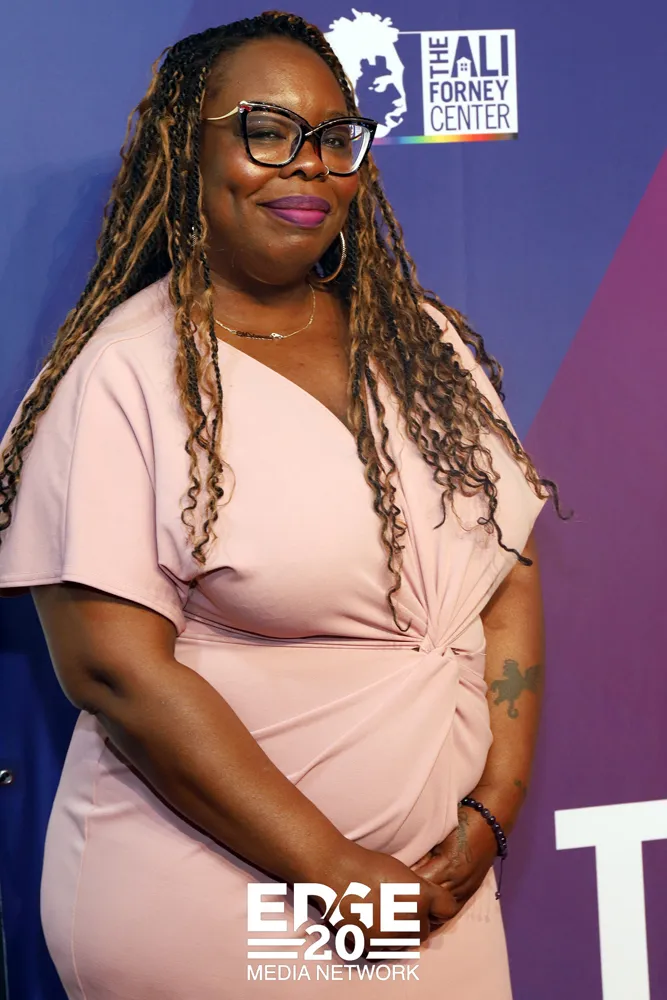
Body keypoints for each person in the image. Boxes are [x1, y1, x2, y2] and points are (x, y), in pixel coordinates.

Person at [0, 11, 562, 999]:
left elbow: (507, 573)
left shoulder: (424, 345)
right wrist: (334, 872)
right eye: (265, 131)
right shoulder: (126, 374)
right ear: (187, 151)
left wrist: (490, 811)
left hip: (440, 896)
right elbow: (114, 670)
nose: (308, 164)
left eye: (335, 138)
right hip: (226, 904)